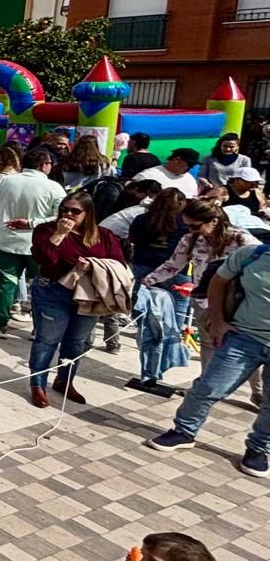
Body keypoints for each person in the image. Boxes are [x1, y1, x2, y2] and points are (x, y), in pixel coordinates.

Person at [148, 239, 270, 475]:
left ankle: (259, 449)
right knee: (208, 386)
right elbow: (218, 282)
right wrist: (218, 321)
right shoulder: (252, 255)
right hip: (243, 335)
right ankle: (184, 431)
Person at [27, 189, 126, 407]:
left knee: (76, 341)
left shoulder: (104, 235)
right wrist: (59, 235)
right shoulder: (46, 230)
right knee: (47, 340)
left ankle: (65, 381)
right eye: (64, 209)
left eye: (75, 211)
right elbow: (45, 259)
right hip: (52, 291)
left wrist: (93, 266)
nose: (68, 214)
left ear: (87, 213)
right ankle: (38, 385)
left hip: (88, 295)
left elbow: (119, 263)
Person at [0, 148, 65, 335]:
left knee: (5, 285)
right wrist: (32, 223)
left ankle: (1, 324)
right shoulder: (54, 187)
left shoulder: (2, 181)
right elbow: (61, 216)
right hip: (40, 245)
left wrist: (1, 216)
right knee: (41, 286)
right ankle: (38, 328)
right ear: (44, 165)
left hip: (7, 241)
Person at [134, 148, 201, 198]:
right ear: (176, 160)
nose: (191, 168)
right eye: (190, 164)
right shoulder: (148, 175)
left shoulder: (190, 179)